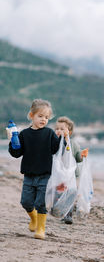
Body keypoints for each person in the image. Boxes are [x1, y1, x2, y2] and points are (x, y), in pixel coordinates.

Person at [7, 99, 61, 240]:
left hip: (45, 175)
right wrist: (11, 143)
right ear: (31, 116)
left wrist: (63, 139)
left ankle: (41, 228)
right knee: (26, 202)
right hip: (29, 175)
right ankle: (34, 219)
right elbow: (17, 153)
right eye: (40, 116)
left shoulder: (49, 134)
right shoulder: (24, 134)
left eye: (47, 117)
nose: (44, 119)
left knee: (40, 203)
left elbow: (57, 150)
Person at [55, 116, 88, 224]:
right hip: (59, 174)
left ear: (69, 131)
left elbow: (78, 157)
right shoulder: (54, 142)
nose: (59, 131)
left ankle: (68, 215)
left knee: (71, 193)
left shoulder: (73, 144)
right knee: (59, 193)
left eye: (62, 129)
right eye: (57, 128)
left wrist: (82, 155)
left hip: (71, 175)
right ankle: (59, 210)